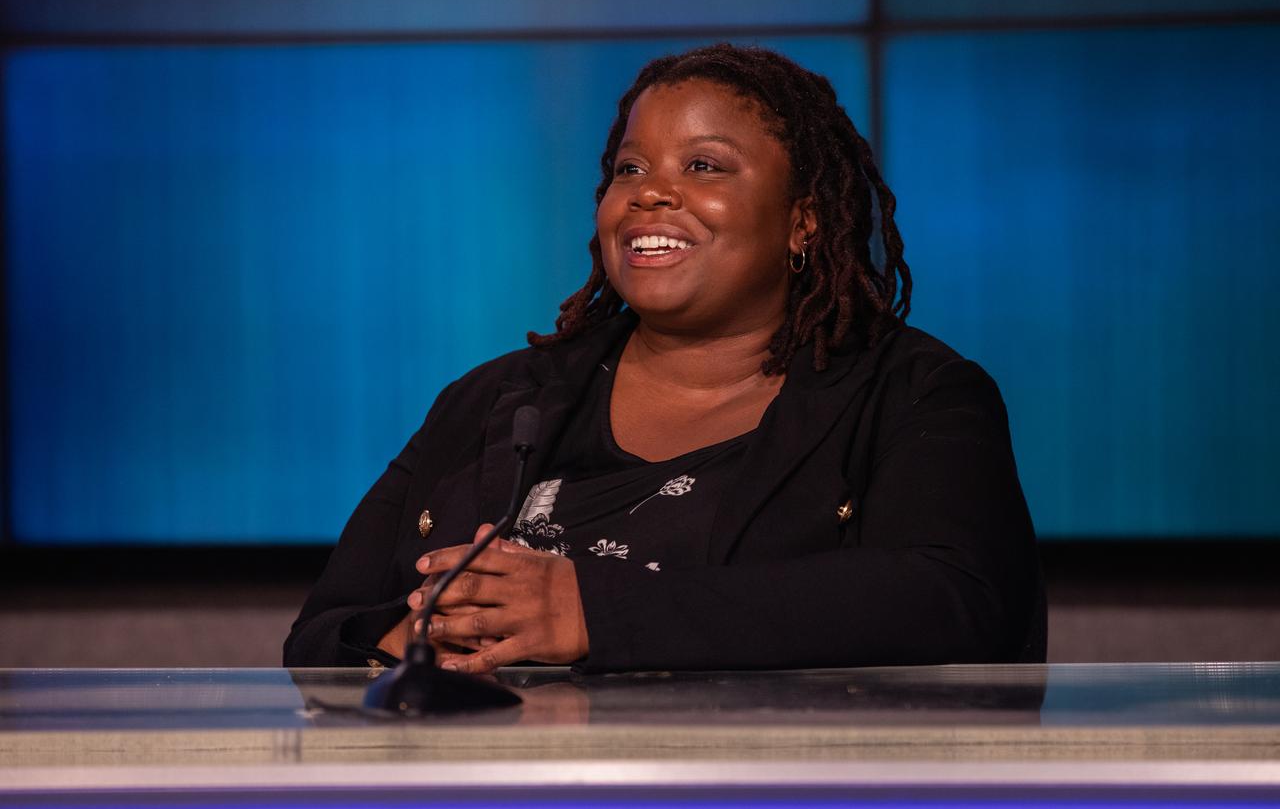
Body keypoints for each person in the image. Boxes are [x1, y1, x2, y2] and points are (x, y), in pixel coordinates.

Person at [283, 44, 1044, 674]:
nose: (650, 196)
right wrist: (408, 639)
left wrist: (592, 610)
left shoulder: (916, 395)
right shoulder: (493, 399)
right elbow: (321, 636)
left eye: (704, 167)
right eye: (629, 170)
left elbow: (957, 602)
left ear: (803, 220)